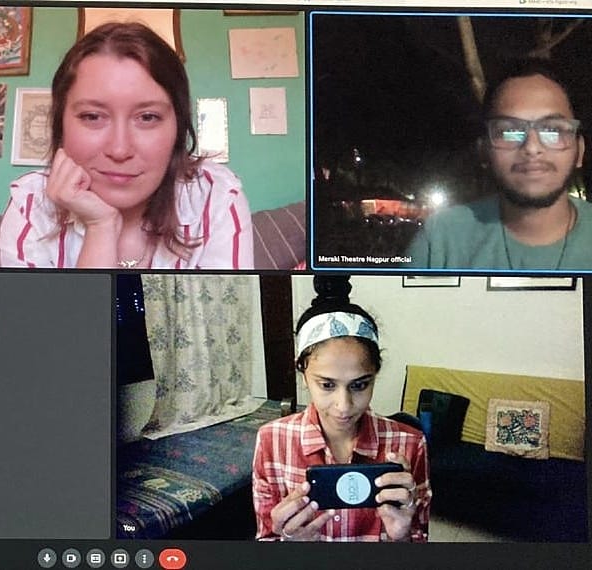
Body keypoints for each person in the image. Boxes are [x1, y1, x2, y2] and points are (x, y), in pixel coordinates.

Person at [0, 23, 254, 269]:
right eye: (92, 117)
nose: (119, 150)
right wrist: (101, 227)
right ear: (61, 125)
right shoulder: (31, 204)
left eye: (147, 117)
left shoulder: (214, 197)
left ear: (178, 127)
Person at [252, 276, 430, 542]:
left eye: (359, 385)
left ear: (375, 373)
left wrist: (402, 537)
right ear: (303, 372)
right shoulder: (271, 441)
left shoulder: (410, 444)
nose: (344, 406)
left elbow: (420, 543)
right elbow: (266, 540)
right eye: (326, 384)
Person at [406, 59, 592, 270]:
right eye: (509, 131)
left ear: (580, 151)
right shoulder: (441, 240)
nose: (532, 147)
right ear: (483, 151)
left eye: (553, 130)